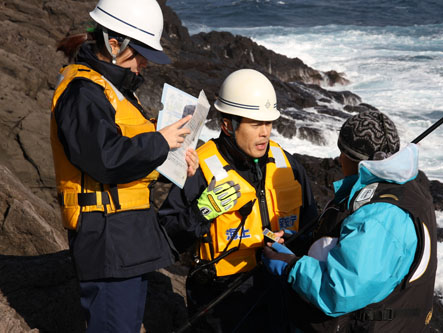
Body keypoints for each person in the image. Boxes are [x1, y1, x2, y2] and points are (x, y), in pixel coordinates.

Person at [50, 0, 199, 331]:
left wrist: (174, 162)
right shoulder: (81, 92)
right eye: (140, 52)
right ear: (113, 43)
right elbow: (105, 157)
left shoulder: (116, 90)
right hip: (107, 241)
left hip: (128, 238)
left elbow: (128, 158)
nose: (145, 62)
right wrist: (161, 143)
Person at [159, 68, 318, 332]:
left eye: (268, 123)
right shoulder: (199, 168)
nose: (265, 132)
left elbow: (313, 227)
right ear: (227, 124)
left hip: (279, 295)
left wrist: (293, 240)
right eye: (255, 124)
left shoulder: (288, 165)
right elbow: (166, 238)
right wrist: (200, 214)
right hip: (221, 303)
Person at [262, 110, 437, 332]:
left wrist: (290, 266)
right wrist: (300, 242)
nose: (338, 159)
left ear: (353, 159)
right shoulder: (407, 188)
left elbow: (340, 291)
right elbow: (354, 249)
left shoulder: (379, 215)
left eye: (342, 152)